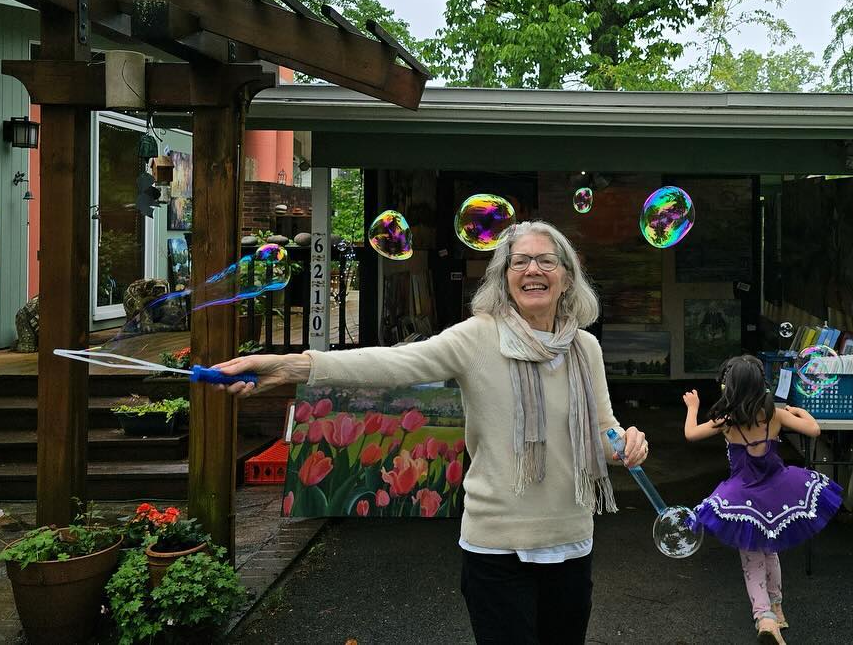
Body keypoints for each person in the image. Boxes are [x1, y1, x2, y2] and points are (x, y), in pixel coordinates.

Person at [212, 220, 648, 645]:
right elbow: (394, 364)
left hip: (570, 542)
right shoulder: (477, 338)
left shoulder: (584, 349)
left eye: (546, 261)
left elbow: (603, 431)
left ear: (567, 277)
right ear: (504, 278)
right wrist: (292, 366)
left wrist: (626, 443)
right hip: (497, 548)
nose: (533, 270)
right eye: (520, 262)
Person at [682, 355, 842, 645]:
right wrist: (800, 411)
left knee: (751, 558)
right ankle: (777, 609)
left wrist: (692, 407)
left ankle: (764, 617)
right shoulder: (775, 415)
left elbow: (690, 434)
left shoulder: (727, 421)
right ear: (761, 384)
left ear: (730, 387)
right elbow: (814, 430)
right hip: (777, 492)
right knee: (771, 551)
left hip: (743, 498)